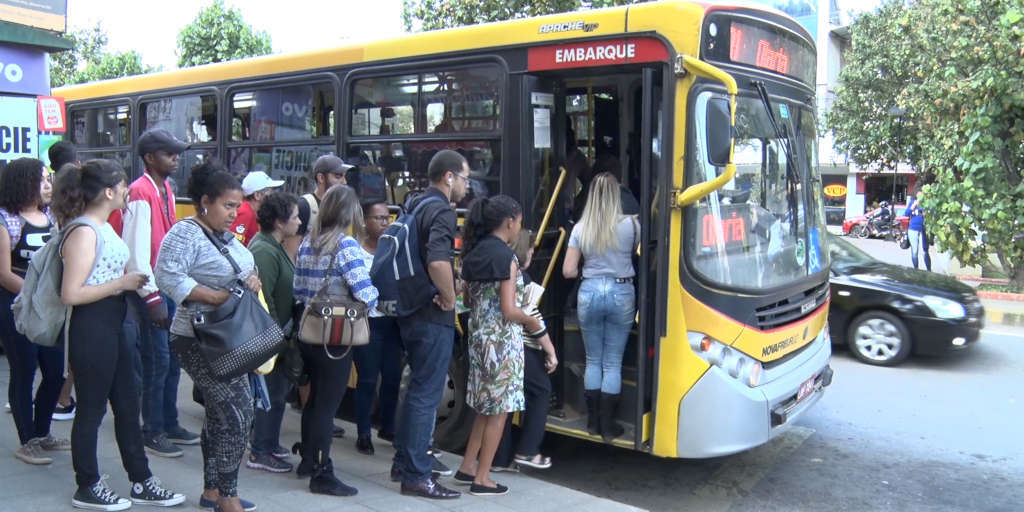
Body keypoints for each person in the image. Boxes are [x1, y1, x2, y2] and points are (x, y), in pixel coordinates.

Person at [54, 159, 185, 510]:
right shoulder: (83, 231)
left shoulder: (104, 226)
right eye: (123, 185)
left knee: (128, 405)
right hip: (93, 325)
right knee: (92, 411)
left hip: (117, 321)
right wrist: (123, 283)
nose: (128, 191)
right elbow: (71, 293)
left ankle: (141, 480)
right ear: (109, 191)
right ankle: (88, 485)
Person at [155, 160, 262, 512]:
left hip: (228, 336)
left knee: (221, 414)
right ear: (206, 201)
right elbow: (168, 277)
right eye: (228, 205)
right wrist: (215, 296)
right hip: (198, 338)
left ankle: (213, 491)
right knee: (237, 413)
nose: (235, 212)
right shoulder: (186, 233)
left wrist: (251, 280)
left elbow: (244, 265)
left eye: (237, 205)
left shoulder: (222, 235)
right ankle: (228, 497)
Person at [454, 196, 556, 496]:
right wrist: (533, 322)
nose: (519, 227)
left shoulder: (472, 254)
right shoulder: (506, 259)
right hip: (501, 342)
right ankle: (482, 478)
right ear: (510, 222)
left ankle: (467, 466)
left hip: (477, 337)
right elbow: (510, 310)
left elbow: (469, 300)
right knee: (499, 412)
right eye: (520, 222)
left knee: (483, 408)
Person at [110, 128, 199, 459]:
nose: (175, 158)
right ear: (149, 157)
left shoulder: (166, 190)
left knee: (171, 359)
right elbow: (136, 252)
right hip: (150, 290)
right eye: (168, 153)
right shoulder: (140, 192)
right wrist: (150, 297)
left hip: (167, 286)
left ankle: (169, 422)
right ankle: (153, 429)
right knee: (156, 360)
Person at [389, 149, 468, 500]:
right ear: (449, 177)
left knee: (415, 388)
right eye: (465, 177)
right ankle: (418, 476)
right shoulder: (442, 210)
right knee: (426, 392)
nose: (467, 185)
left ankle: (403, 462)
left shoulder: (416, 204)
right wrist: (449, 297)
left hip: (409, 305)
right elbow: (438, 262)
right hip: (430, 312)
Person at [292, 184, 376, 497]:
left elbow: (299, 291)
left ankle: (307, 461)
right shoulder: (347, 246)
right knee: (328, 405)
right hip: (336, 337)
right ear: (349, 213)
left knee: (313, 400)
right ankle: (322, 471)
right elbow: (366, 293)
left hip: (309, 332)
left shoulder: (307, 243)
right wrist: (375, 295)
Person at [0, 157, 69, 464]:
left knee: (55, 373)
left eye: (48, 179)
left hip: (48, 307)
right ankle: (26, 440)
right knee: (24, 371)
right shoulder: (5, 221)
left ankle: (42, 433)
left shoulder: (51, 216)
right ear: (21, 183)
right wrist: (36, 297)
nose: (46, 185)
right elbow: (4, 274)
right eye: (40, 180)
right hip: (17, 307)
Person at [562, 172, 638, 443]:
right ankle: (609, 426)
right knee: (612, 362)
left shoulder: (581, 228)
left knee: (593, 360)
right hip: (621, 291)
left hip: (590, 291)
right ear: (617, 195)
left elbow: (568, 271)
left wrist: (591, 268)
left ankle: (592, 422)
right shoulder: (633, 225)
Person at [491, 229, 558, 472]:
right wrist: (550, 350)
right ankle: (528, 450)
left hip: (494, 343)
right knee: (541, 389)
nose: (532, 253)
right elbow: (531, 317)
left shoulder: (495, 268)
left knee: (506, 402)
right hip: (516, 345)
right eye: (531, 249)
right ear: (525, 251)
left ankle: (499, 459)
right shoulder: (521, 278)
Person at [246, 191, 300, 474]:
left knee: (278, 394)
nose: (299, 222)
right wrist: (276, 336)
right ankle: (261, 450)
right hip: (272, 335)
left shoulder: (275, 246)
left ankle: (268, 443)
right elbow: (262, 297)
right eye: (295, 217)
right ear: (280, 222)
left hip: (280, 333)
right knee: (271, 395)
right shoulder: (265, 251)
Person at [352, 200, 403, 456]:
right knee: (368, 379)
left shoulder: (393, 251)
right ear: (365, 222)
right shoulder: (357, 253)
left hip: (392, 322)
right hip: (368, 322)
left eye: (387, 218)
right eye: (379, 218)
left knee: (393, 376)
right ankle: (363, 432)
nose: (385, 223)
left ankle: (388, 425)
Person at [48, 142, 81, 421]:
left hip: (58, 284)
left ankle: (57, 395)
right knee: (69, 347)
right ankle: (61, 397)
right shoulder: (75, 212)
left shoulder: (50, 195)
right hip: (69, 286)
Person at [232, 171, 285, 246]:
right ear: (257, 195)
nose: (272, 195)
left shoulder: (251, 212)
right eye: (269, 191)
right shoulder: (246, 212)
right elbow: (233, 246)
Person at [905, 189, 932, 271]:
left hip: (924, 229)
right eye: (919, 195)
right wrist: (914, 205)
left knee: (925, 251)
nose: (920, 196)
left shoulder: (928, 204)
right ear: (916, 195)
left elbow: (932, 214)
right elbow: (906, 214)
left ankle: (929, 270)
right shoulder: (912, 202)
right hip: (913, 229)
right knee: (915, 251)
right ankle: (916, 270)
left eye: (922, 194)